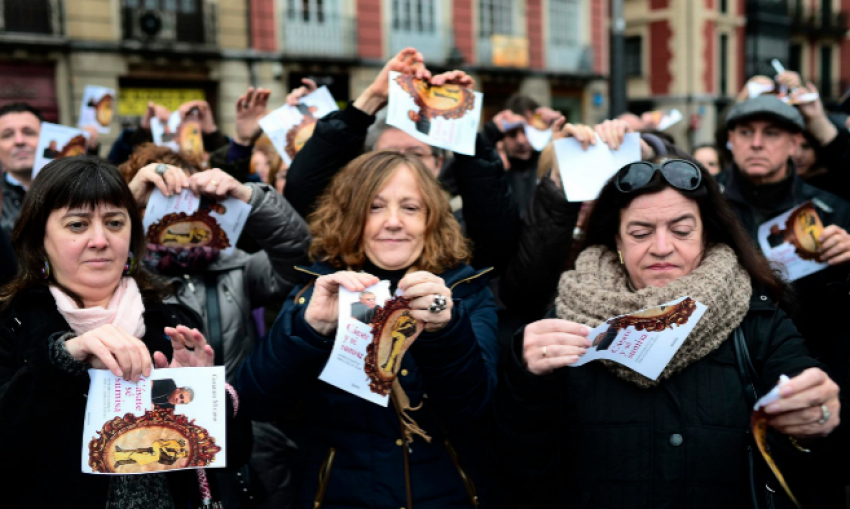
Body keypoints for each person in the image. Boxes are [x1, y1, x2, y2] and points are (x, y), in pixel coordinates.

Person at [495, 158, 843, 507]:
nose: (661, 247)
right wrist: (524, 380)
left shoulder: (759, 320)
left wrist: (815, 419)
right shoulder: (567, 322)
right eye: (641, 233)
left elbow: (813, 455)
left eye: (681, 230)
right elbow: (523, 467)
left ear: (707, 234)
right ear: (617, 239)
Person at [237, 151, 499, 509]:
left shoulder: (464, 292)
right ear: (350, 217)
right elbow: (256, 401)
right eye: (375, 208)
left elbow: (475, 410)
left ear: (432, 219)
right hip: (340, 494)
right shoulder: (320, 288)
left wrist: (445, 331)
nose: (393, 222)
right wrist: (310, 329)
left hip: (446, 492)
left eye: (410, 208)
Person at [0, 156, 249, 507]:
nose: (100, 240)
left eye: (115, 223)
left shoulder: (173, 320)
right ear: (40, 238)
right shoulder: (12, 323)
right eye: (77, 225)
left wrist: (200, 401)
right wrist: (63, 359)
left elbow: (232, 454)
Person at [283, 48, 520, 275]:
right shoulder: (345, 220)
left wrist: (458, 119)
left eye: (416, 154)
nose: (401, 165)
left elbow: (497, 239)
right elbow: (303, 190)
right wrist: (373, 98)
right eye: (389, 154)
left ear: (438, 162)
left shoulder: (461, 220)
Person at [717, 95, 850, 388]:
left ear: (793, 143)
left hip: (814, 372)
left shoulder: (833, 211)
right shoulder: (703, 207)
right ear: (731, 139)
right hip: (725, 374)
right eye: (745, 132)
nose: (756, 143)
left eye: (771, 133)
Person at [0, 102, 100, 235]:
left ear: (46, 138)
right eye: (7, 135)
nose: (19, 141)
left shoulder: (77, 188)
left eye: (29, 132)